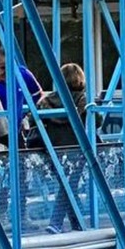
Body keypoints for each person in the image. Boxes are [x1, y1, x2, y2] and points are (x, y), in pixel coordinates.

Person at [38, 62, 92, 233]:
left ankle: (78, 223)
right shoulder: (84, 100)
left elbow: (34, 121)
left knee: (68, 185)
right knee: (69, 185)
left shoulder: (46, 100)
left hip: (53, 149)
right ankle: (57, 223)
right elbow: (97, 121)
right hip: (78, 148)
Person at [0, 48, 42, 147]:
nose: (0, 72)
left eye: (3, 68)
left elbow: (38, 94)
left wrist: (26, 112)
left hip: (17, 129)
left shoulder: (22, 74)